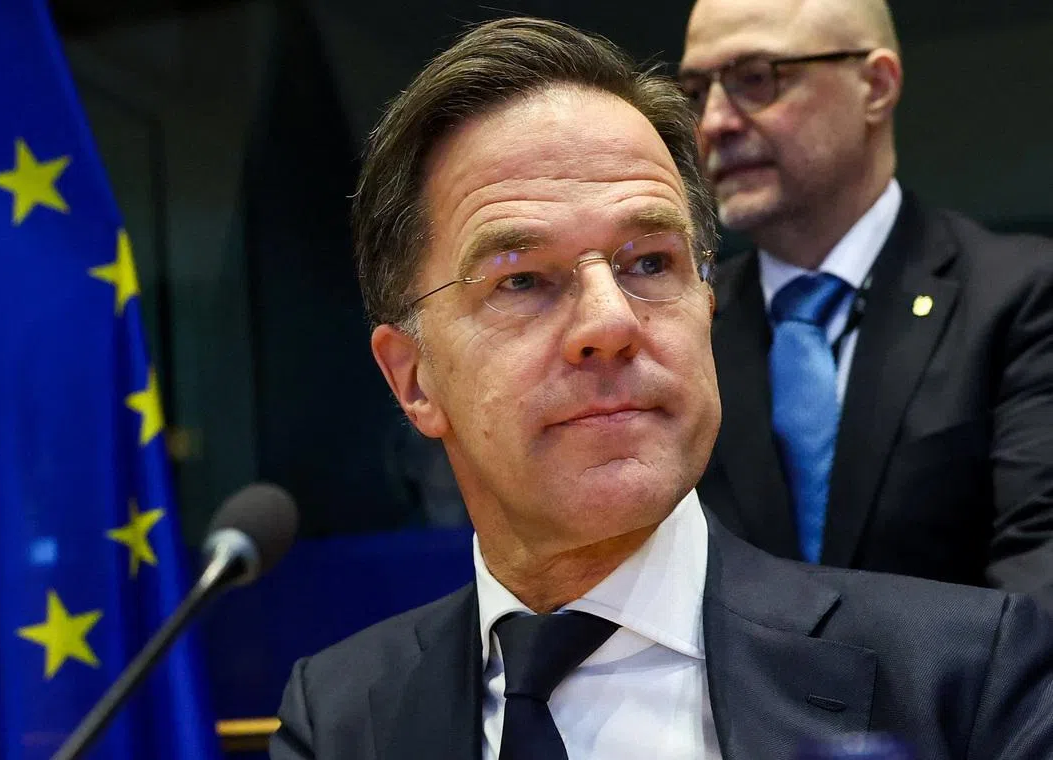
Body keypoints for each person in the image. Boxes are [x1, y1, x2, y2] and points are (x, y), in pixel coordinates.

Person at [270, 16, 1053, 760]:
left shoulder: (966, 680)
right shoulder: (340, 718)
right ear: (412, 379)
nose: (611, 322)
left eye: (650, 263)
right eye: (522, 280)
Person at [678, 0, 1053, 607]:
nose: (715, 122)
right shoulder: (680, 323)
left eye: (755, 78)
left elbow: (1039, 589)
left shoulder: (1021, 297)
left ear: (875, 86)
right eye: (696, 90)